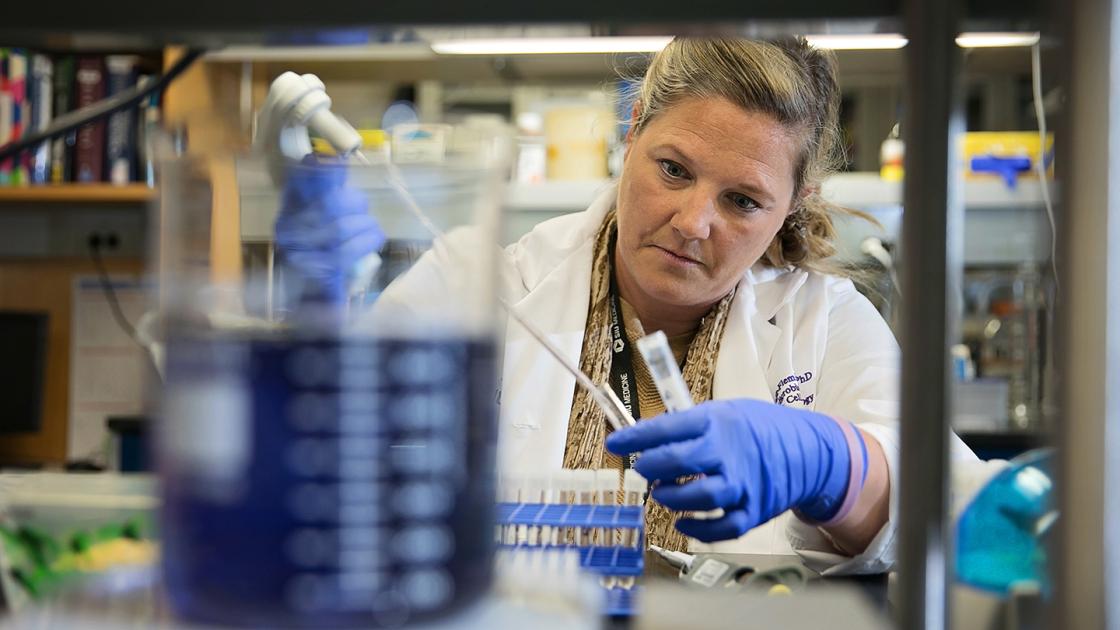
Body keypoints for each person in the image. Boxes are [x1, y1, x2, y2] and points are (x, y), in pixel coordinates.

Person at [278, 37, 1004, 575]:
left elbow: (965, 512)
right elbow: (310, 446)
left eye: (743, 200)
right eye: (673, 170)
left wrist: (833, 465)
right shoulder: (479, 280)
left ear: (793, 206)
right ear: (632, 140)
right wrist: (317, 312)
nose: (694, 221)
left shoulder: (825, 324)